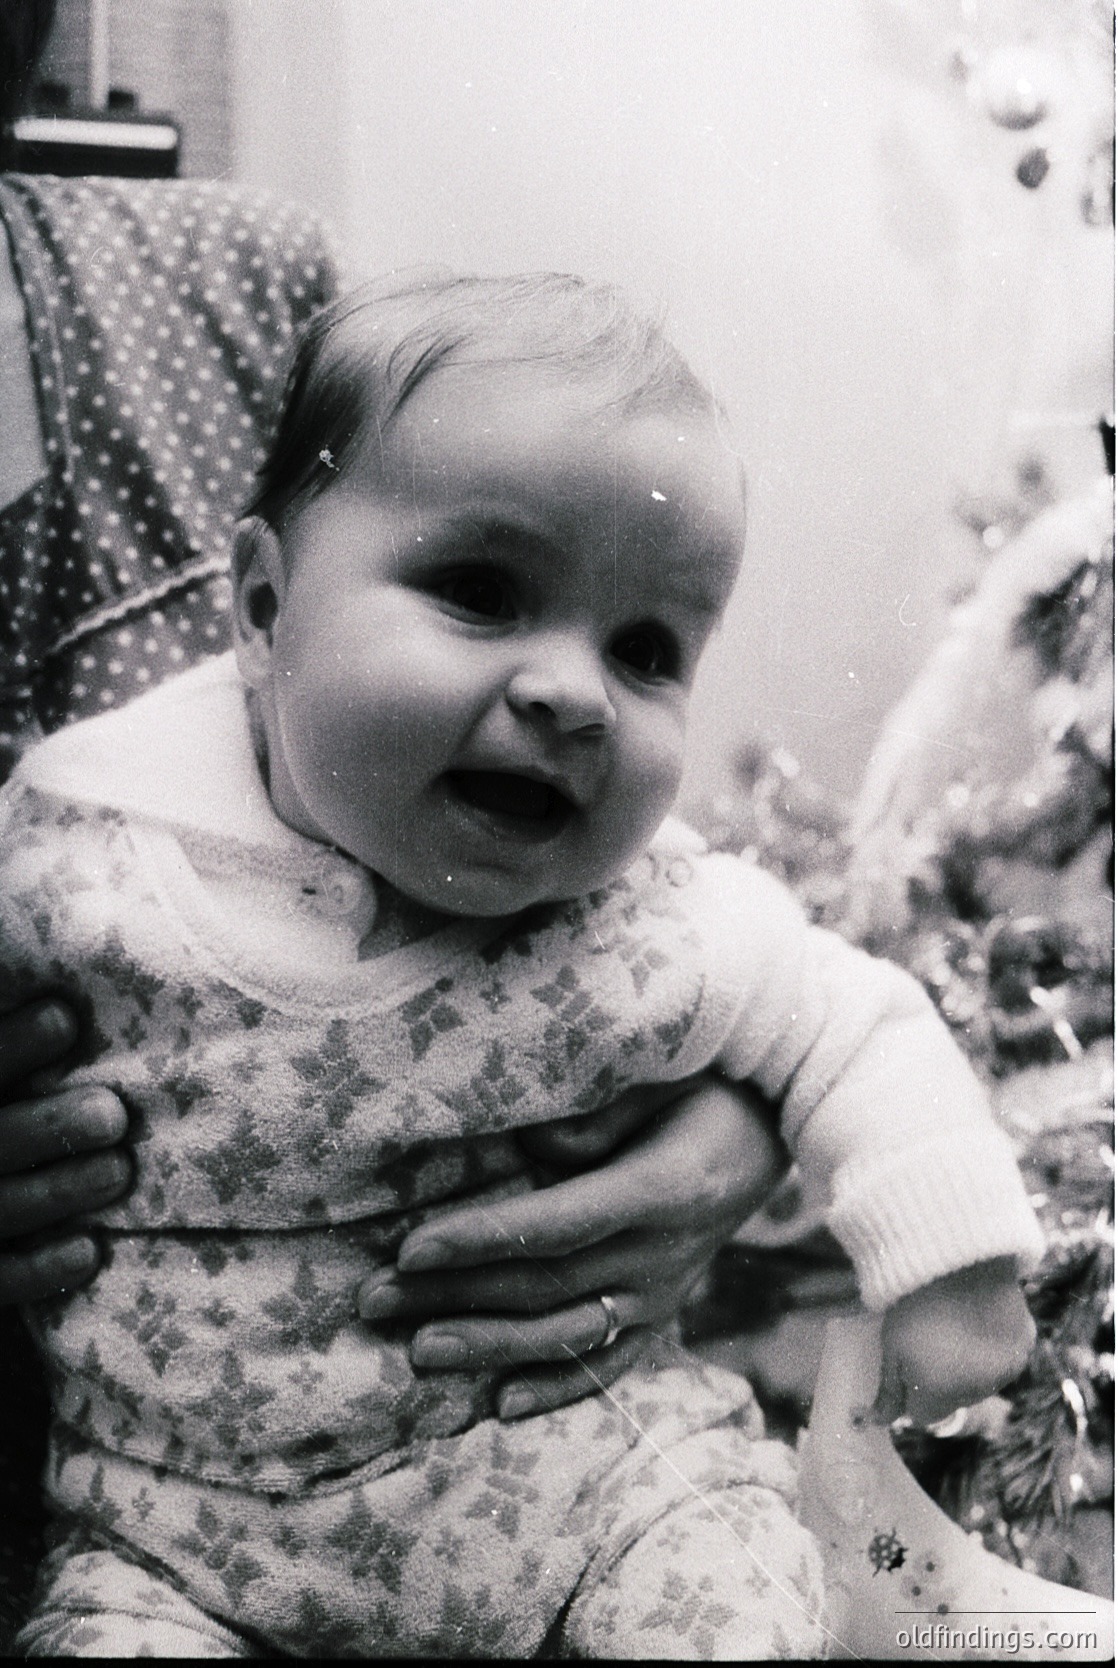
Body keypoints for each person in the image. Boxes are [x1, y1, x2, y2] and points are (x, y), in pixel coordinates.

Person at [3, 274, 1042, 1658]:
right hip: (178, 1545)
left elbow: (857, 1024)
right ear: (259, 609)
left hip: (592, 1495)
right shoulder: (80, 860)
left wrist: (950, 1272)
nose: (571, 690)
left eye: (645, 649)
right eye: (480, 591)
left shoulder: (641, 918)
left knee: (730, 1596)